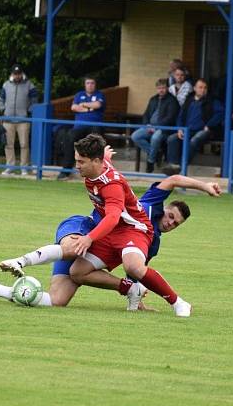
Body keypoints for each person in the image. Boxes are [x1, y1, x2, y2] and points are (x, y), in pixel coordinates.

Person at [0, 173, 220, 309]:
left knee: (57, 300)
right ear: (165, 208)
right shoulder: (150, 202)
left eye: (175, 224)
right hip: (86, 228)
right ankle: (20, 260)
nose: (170, 223)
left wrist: (135, 296)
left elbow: (136, 271)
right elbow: (175, 179)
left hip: (96, 249)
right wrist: (205, 185)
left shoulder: (150, 242)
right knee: (72, 249)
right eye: (170, 216)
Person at [64, 134, 192, 315]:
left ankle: (178, 303)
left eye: (81, 161)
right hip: (113, 231)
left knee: (133, 266)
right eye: (76, 160)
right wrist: (106, 156)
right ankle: (131, 288)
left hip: (134, 229)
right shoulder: (99, 167)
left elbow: (112, 217)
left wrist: (89, 238)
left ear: (95, 161)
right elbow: (105, 162)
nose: (77, 165)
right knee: (77, 272)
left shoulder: (112, 185)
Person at [165, 78, 223, 168]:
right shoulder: (188, 100)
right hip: (187, 130)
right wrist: (180, 128)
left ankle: (181, 166)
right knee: (172, 139)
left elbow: (220, 113)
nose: (203, 90)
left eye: (205, 88)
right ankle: (173, 165)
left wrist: (209, 125)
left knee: (194, 140)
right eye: (200, 87)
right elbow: (180, 116)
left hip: (204, 130)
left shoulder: (212, 101)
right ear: (195, 88)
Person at [56, 77, 106, 180]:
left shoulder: (99, 94)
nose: (90, 85)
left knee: (96, 142)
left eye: (92, 83)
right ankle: (66, 170)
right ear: (84, 84)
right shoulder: (79, 94)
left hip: (94, 125)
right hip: (79, 126)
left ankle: (97, 173)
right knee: (69, 137)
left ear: (95, 85)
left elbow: (98, 104)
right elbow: (73, 107)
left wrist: (83, 105)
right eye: (88, 83)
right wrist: (90, 109)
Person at [130, 78, 179, 173]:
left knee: (155, 138)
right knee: (135, 136)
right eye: (159, 88)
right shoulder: (153, 99)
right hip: (150, 126)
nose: (161, 90)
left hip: (164, 128)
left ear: (168, 88)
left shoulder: (172, 100)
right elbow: (146, 114)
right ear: (157, 89)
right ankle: (157, 153)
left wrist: (156, 127)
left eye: (163, 88)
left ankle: (151, 161)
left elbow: (170, 118)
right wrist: (147, 124)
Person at [0, 64, 38, 176]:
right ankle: (9, 167)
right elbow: (1, 99)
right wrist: (4, 110)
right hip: (8, 119)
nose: (17, 76)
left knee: (24, 144)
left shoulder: (29, 85)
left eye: (18, 73)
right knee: (8, 144)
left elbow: (34, 100)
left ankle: (24, 168)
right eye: (15, 74)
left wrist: (28, 111)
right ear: (12, 74)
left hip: (23, 120)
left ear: (22, 73)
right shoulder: (6, 85)